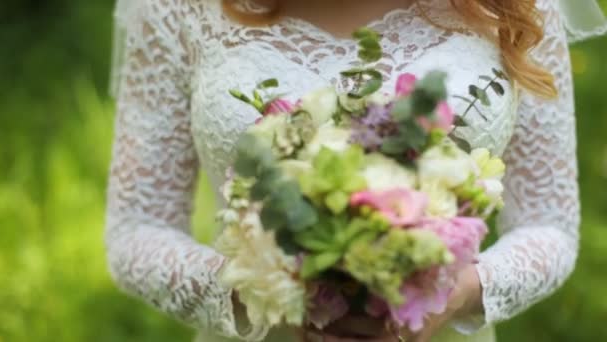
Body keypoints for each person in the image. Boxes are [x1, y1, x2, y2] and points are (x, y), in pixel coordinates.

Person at [105, 0, 607, 341]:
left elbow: (549, 223)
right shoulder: (176, 9)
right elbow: (136, 228)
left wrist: (458, 293)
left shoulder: (514, 7)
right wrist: (254, 288)